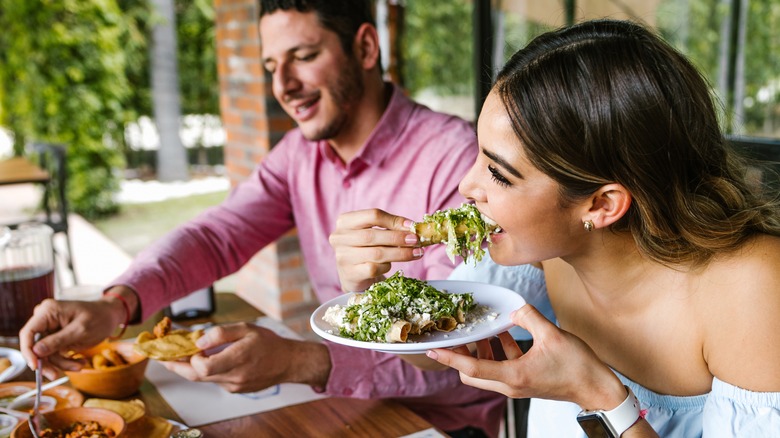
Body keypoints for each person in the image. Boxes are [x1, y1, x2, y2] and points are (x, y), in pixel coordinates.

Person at [19, 1, 506, 436]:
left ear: (365, 47)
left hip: (444, 423)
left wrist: (300, 361)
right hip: (346, 404)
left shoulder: (454, 159)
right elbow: (217, 236)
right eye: (272, 65)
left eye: (304, 56)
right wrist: (117, 305)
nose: (282, 86)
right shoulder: (298, 155)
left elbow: (457, 348)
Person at [331, 19, 780, 437]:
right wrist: (370, 295)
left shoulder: (753, 291)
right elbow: (440, 356)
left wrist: (599, 396)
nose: (466, 187)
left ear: (602, 204)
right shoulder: (542, 251)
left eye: (499, 174)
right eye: (479, 157)